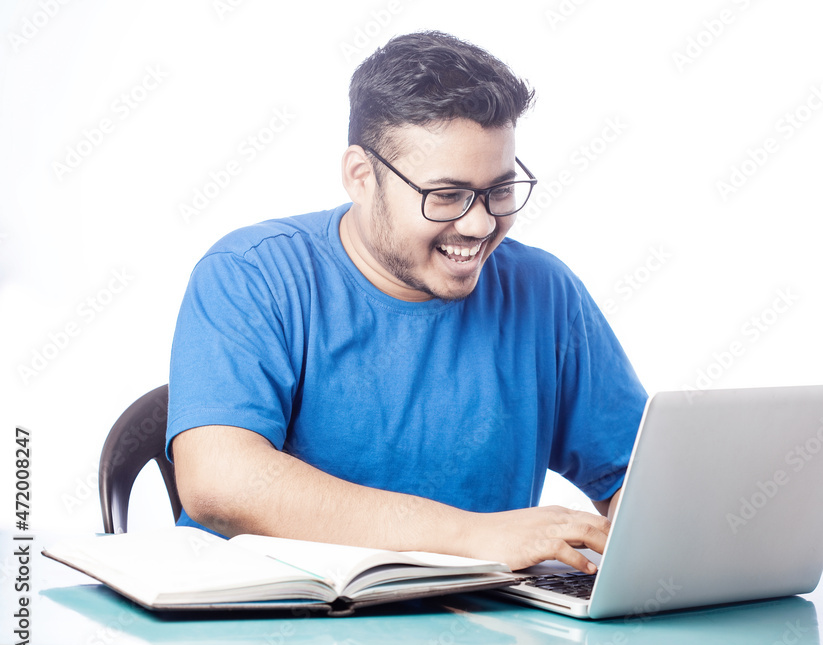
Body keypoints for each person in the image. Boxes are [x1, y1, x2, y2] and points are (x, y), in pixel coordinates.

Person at [167, 31, 646, 574]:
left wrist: (657, 527)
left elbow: (638, 477)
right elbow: (218, 481)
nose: (480, 223)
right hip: (271, 627)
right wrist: (471, 536)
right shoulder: (252, 274)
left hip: (481, 633)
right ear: (361, 177)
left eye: (500, 190)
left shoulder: (545, 292)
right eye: (446, 196)